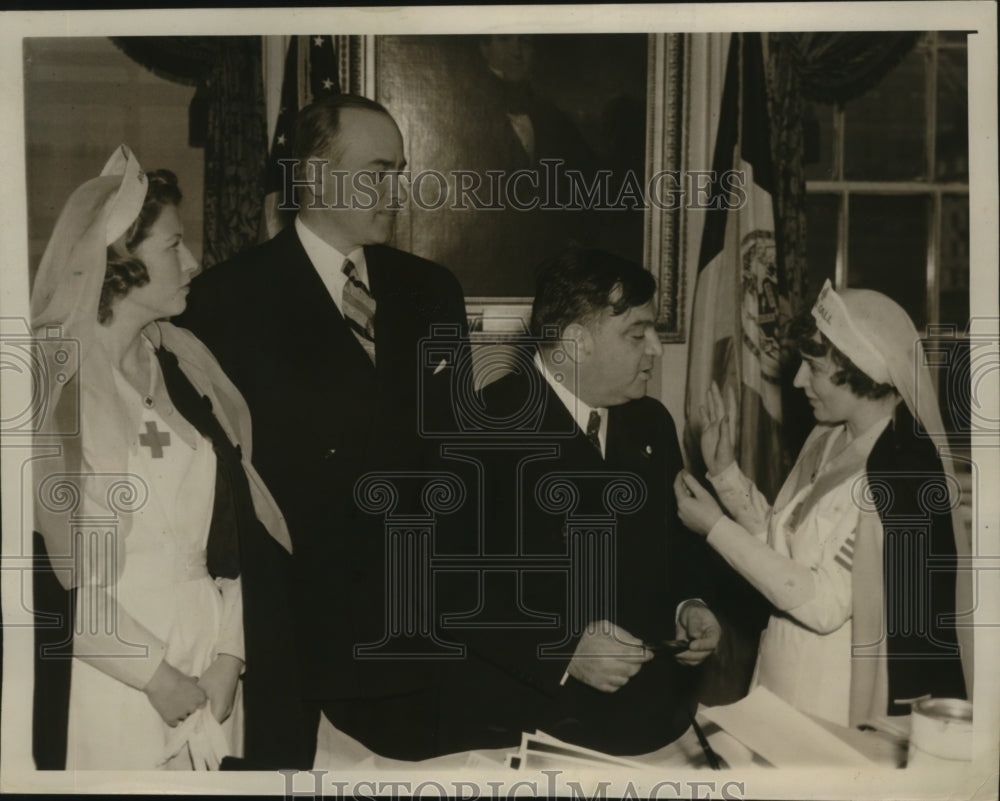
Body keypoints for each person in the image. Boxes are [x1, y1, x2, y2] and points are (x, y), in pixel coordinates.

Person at [176, 94, 469, 761]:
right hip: (290, 632)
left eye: (399, 171)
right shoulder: (225, 300)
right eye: (376, 172)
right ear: (313, 176)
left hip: (409, 634)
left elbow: (453, 458)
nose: (395, 190)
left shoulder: (431, 291)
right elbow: (218, 489)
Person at [30, 145, 303, 770]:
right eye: (172, 246)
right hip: (120, 677)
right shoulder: (57, 396)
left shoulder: (183, 367)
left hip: (209, 668)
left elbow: (235, 530)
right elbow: (54, 580)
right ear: (119, 263)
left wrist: (231, 656)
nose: (193, 262)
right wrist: (155, 676)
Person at [434, 248, 721, 756]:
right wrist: (561, 649)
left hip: (651, 723)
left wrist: (690, 604)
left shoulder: (650, 421)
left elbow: (676, 546)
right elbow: (449, 589)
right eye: (637, 334)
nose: (655, 349)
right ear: (574, 342)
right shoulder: (481, 428)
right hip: (531, 727)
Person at [674, 280, 968, 728]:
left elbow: (825, 603)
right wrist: (727, 476)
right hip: (776, 681)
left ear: (861, 369)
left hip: (828, 703)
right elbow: (781, 548)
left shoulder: (900, 473)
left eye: (812, 367)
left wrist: (715, 527)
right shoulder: (827, 438)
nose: (797, 381)